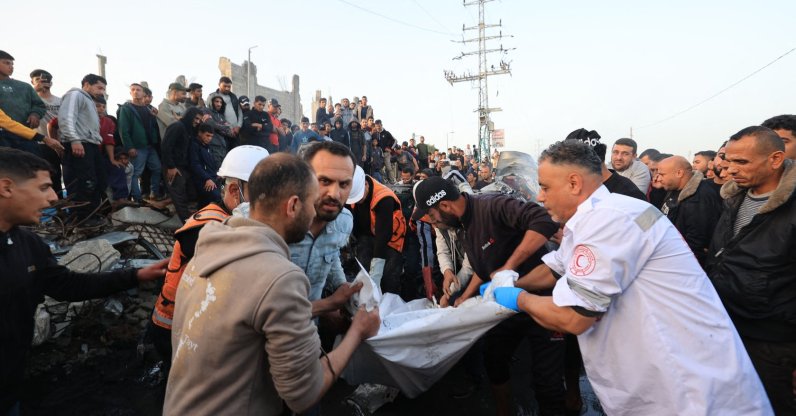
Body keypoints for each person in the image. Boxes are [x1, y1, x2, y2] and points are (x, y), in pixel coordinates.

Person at [489, 140, 772, 415]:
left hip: (685, 389)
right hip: (661, 374)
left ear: (574, 183)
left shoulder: (609, 220)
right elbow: (556, 268)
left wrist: (518, 299)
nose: (540, 197)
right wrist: (511, 280)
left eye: (545, 187)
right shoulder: (603, 214)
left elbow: (573, 316)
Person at [164, 153, 380, 415]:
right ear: (292, 206)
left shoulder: (213, 243)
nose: (316, 212)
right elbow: (304, 393)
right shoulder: (279, 276)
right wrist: (358, 331)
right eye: (312, 203)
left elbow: (255, 312)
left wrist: (329, 303)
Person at [0, 148, 168, 414]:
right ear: (6, 187)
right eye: (44, 188)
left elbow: (69, 286)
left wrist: (136, 275)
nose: (54, 197)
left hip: (10, 387)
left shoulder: (29, 244)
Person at [411, 176, 563, 416]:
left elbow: (542, 220)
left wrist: (509, 267)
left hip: (544, 299)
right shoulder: (461, 227)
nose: (433, 222)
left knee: (547, 379)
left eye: (431, 216)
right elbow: (482, 269)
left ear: (444, 206)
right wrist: (465, 296)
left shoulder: (493, 205)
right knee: (494, 359)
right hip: (506, 303)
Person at [150, 145, 268, 386]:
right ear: (235, 190)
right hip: (173, 327)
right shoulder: (207, 227)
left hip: (192, 324)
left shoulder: (226, 220)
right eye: (263, 196)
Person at [706, 126, 795, 414]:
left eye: (742, 162)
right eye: (728, 161)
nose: (730, 170)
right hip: (728, 329)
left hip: (774, 343)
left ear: (775, 159)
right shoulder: (732, 198)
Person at [58, 74, 108, 223]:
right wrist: (74, 140)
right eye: (99, 87)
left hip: (91, 145)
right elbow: (66, 118)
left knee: (99, 180)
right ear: (86, 84)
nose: (101, 92)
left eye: (104, 89)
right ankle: (80, 219)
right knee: (83, 182)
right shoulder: (75, 95)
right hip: (79, 144)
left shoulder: (90, 101)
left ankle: (93, 215)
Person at [656, 156, 722, 266]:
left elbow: (696, 242)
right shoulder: (674, 188)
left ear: (679, 173)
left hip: (682, 261)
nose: (658, 178)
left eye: (662, 174)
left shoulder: (700, 198)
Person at [350, 171, 406, 295]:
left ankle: (389, 304)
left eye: (359, 197)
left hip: (391, 239)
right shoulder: (352, 190)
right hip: (366, 235)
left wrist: (376, 273)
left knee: (388, 276)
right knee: (364, 273)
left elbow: (383, 236)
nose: (358, 201)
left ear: (365, 184)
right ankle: (368, 301)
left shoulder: (384, 198)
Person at [118, 83, 162, 202]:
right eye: (133, 89)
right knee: (135, 173)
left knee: (157, 168)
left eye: (138, 90)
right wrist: (129, 147)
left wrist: (155, 116)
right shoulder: (126, 109)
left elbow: (153, 127)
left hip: (150, 146)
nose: (136, 91)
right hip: (137, 147)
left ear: (144, 93)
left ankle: (154, 193)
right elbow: (123, 130)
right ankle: (137, 198)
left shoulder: (148, 109)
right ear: (130, 93)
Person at [161, 107, 206, 221]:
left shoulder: (188, 129)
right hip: (173, 167)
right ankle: (186, 223)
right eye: (196, 118)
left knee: (192, 193)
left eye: (200, 120)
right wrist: (171, 167)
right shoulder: (177, 126)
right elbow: (166, 147)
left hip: (183, 167)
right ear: (189, 115)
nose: (197, 121)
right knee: (179, 196)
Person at [188, 123, 221, 206]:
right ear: (200, 133)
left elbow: (211, 163)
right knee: (218, 198)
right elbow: (195, 165)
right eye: (207, 135)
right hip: (203, 180)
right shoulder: (194, 146)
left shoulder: (207, 146)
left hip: (212, 177)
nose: (209, 138)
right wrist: (207, 178)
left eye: (211, 136)